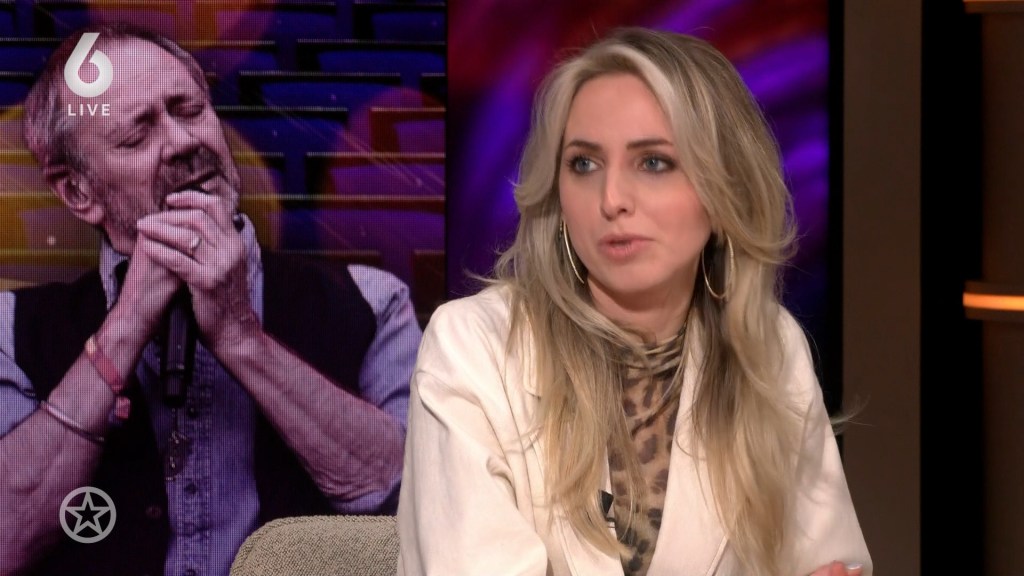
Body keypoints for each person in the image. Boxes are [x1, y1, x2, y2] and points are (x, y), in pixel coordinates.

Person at [397, 27, 871, 576]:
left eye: (653, 163)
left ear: (724, 190)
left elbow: (831, 565)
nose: (612, 199)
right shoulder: (470, 348)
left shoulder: (769, 344)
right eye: (584, 164)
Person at [0, 24, 421, 576]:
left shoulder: (371, 302)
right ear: (79, 192)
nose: (183, 141)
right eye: (137, 135)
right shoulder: (12, 329)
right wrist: (127, 324)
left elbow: (408, 504)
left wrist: (241, 337)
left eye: (191, 110)